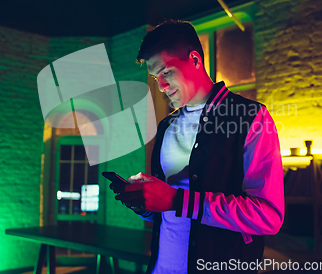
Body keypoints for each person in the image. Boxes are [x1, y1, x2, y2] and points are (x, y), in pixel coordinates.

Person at [110, 20, 284, 274]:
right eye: (155, 77)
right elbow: (168, 209)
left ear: (194, 59)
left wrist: (178, 200)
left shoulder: (250, 117)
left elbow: (269, 216)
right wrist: (144, 202)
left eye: (166, 72)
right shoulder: (166, 126)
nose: (161, 86)